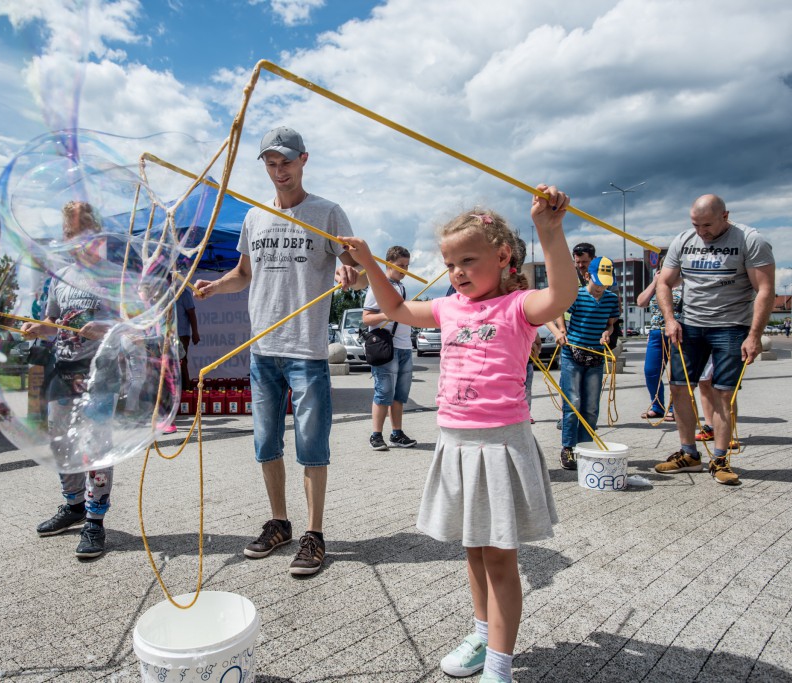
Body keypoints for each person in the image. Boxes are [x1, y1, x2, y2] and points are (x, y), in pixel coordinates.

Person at [341, 184, 576, 683]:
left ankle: (500, 664)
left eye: (468, 260)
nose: (457, 273)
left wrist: (550, 232)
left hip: (499, 444)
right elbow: (399, 311)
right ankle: (481, 632)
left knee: (499, 561)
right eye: (450, 264)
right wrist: (369, 264)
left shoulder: (518, 307)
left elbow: (563, 294)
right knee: (472, 548)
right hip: (456, 441)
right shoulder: (449, 309)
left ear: (504, 255)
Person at [195, 127, 365, 577]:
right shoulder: (254, 217)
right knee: (265, 442)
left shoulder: (326, 213)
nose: (278, 170)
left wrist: (353, 276)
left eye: (286, 161)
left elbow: (361, 274)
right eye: (270, 163)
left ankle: (314, 534)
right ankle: (280, 524)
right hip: (262, 349)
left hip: (306, 350)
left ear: (303, 160)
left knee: (312, 445)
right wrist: (216, 286)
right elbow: (243, 272)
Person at [654, 194, 774, 485]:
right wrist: (671, 320)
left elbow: (765, 290)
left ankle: (720, 459)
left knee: (723, 393)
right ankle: (689, 455)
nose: (701, 232)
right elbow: (664, 283)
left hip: (731, 326)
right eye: (695, 224)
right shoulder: (684, 240)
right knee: (679, 388)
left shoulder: (750, 240)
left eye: (706, 225)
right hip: (690, 326)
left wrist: (754, 335)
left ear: (725, 216)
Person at [23, 201, 116, 559]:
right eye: (67, 233)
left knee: (96, 448)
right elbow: (53, 323)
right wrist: (39, 329)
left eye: (80, 232)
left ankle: (95, 520)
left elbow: (136, 326)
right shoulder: (59, 277)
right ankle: (73, 505)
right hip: (63, 370)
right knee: (62, 444)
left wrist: (105, 328)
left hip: (100, 373)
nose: (73, 239)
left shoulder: (112, 276)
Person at [547, 256, 621, 470]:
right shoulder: (577, 296)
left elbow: (611, 324)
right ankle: (568, 447)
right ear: (588, 276)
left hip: (596, 356)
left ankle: (586, 445)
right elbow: (559, 310)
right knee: (573, 403)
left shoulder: (609, 299)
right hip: (573, 353)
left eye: (605, 283)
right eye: (598, 282)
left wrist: (607, 333)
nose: (601, 288)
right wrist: (561, 331)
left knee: (590, 406)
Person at [363, 245, 417, 451]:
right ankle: (376, 435)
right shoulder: (379, 285)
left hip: (404, 346)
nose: (404, 270)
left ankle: (397, 433)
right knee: (383, 392)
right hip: (387, 346)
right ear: (388, 264)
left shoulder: (401, 287)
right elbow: (366, 317)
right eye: (400, 266)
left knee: (399, 395)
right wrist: (388, 314)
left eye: (407, 266)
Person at [636, 266, 680, 420]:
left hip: (678, 332)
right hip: (656, 333)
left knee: (677, 373)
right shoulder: (658, 285)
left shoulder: (685, 285)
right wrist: (655, 281)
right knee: (651, 372)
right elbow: (641, 302)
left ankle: (676, 409)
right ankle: (657, 406)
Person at [177, 286, 202, 386]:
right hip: (167, 335)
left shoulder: (184, 293)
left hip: (181, 334)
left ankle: (186, 390)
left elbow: (191, 313)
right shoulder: (163, 293)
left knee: (181, 362)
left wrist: (195, 332)